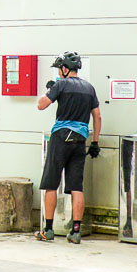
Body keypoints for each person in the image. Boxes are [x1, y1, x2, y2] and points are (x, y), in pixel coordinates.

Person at [35, 51, 101, 244]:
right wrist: (95, 142)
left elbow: (40, 105)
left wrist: (50, 89)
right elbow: (97, 116)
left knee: (50, 183)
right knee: (76, 187)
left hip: (61, 137)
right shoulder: (89, 88)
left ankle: (48, 230)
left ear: (64, 69)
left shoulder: (61, 84)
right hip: (80, 140)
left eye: (58, 68)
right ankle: (76, 231)